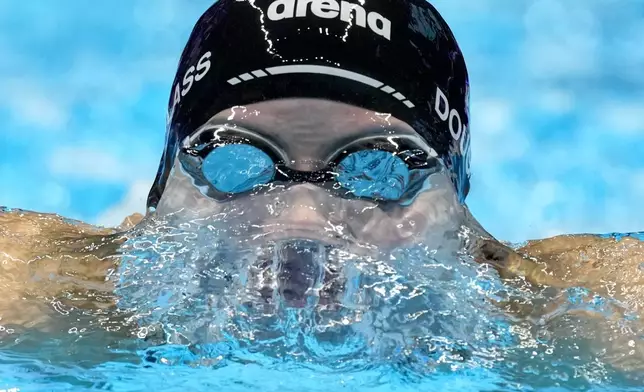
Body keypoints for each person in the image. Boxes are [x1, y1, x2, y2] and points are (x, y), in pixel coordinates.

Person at [1, 0, 643, 371]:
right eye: (236, 162)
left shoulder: (575, 320)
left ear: (461, 216)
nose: (301, 220)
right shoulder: (53, 297)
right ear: (164, 186)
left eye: (376, 168)